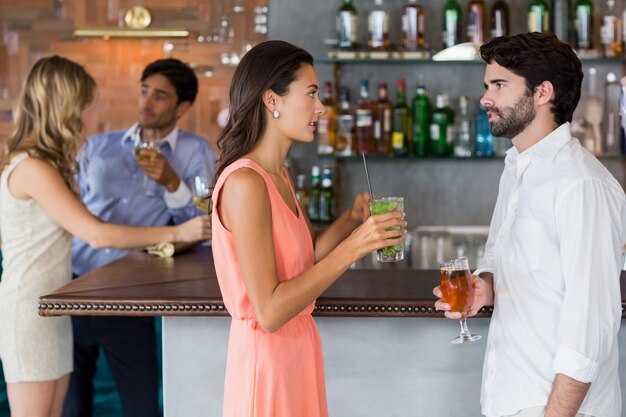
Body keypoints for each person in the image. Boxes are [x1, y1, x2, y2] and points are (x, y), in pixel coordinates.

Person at [0, 56, 209, 417]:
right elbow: (94, 233)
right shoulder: (33, 167)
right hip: (34, 309)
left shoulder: (45, 164)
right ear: (60, 106)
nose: (81, 118)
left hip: (56, 306)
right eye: (78, 106)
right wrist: (177, 231)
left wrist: (174, 190)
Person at [211, 40, 407, 417]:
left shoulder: (279, 175)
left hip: (296, 352)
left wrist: (351, 221)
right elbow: (269, 310)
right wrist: (355, 247)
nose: (321, 108)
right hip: (267, 363)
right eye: (312, 93)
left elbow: (304, 258)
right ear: (272, 101)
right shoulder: (245, 184)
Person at [434, 32, 625, 417]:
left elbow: (590, 326)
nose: (486, 98)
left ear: (542, 93)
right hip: (509, 400)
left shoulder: (581, 184)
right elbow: (497, 257)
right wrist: (483, 287)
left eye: (500, 85)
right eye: (487, 85)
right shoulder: (516, 168)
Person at [63, 58, 216, 417]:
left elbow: (206, 229)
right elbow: (70, 207)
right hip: (72, 287)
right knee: (71, 407)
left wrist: (172, 183)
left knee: (142, 406)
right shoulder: (99, 146)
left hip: (130, 296)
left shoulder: (196, 152)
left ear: (183, 107)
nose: (146, 103)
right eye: (144, 92)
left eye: (160, 96)